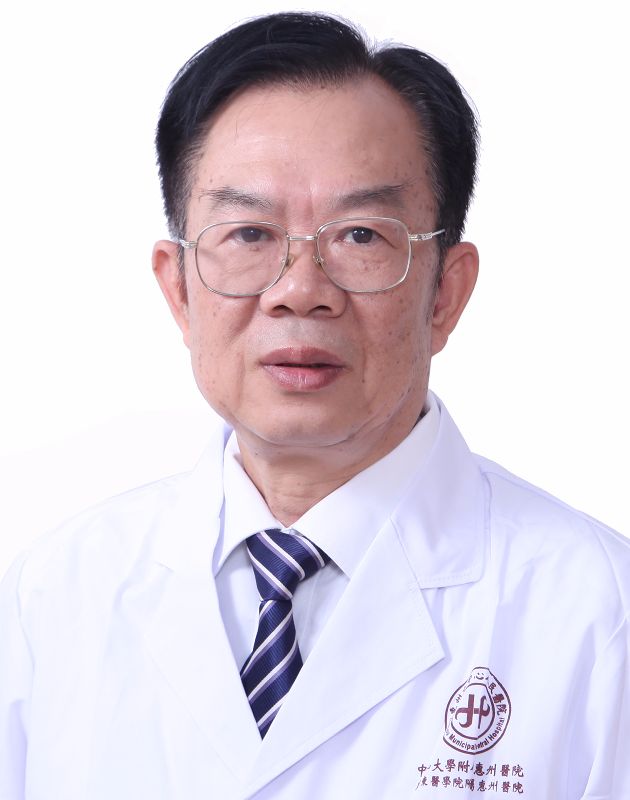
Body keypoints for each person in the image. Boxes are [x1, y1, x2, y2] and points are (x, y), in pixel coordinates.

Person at [0, 11, 628, 799]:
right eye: (249, 234)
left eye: (361, 235)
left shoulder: (599, 616)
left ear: (446, 292)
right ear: (178, 289)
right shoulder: (53, 600)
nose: (300, 291)